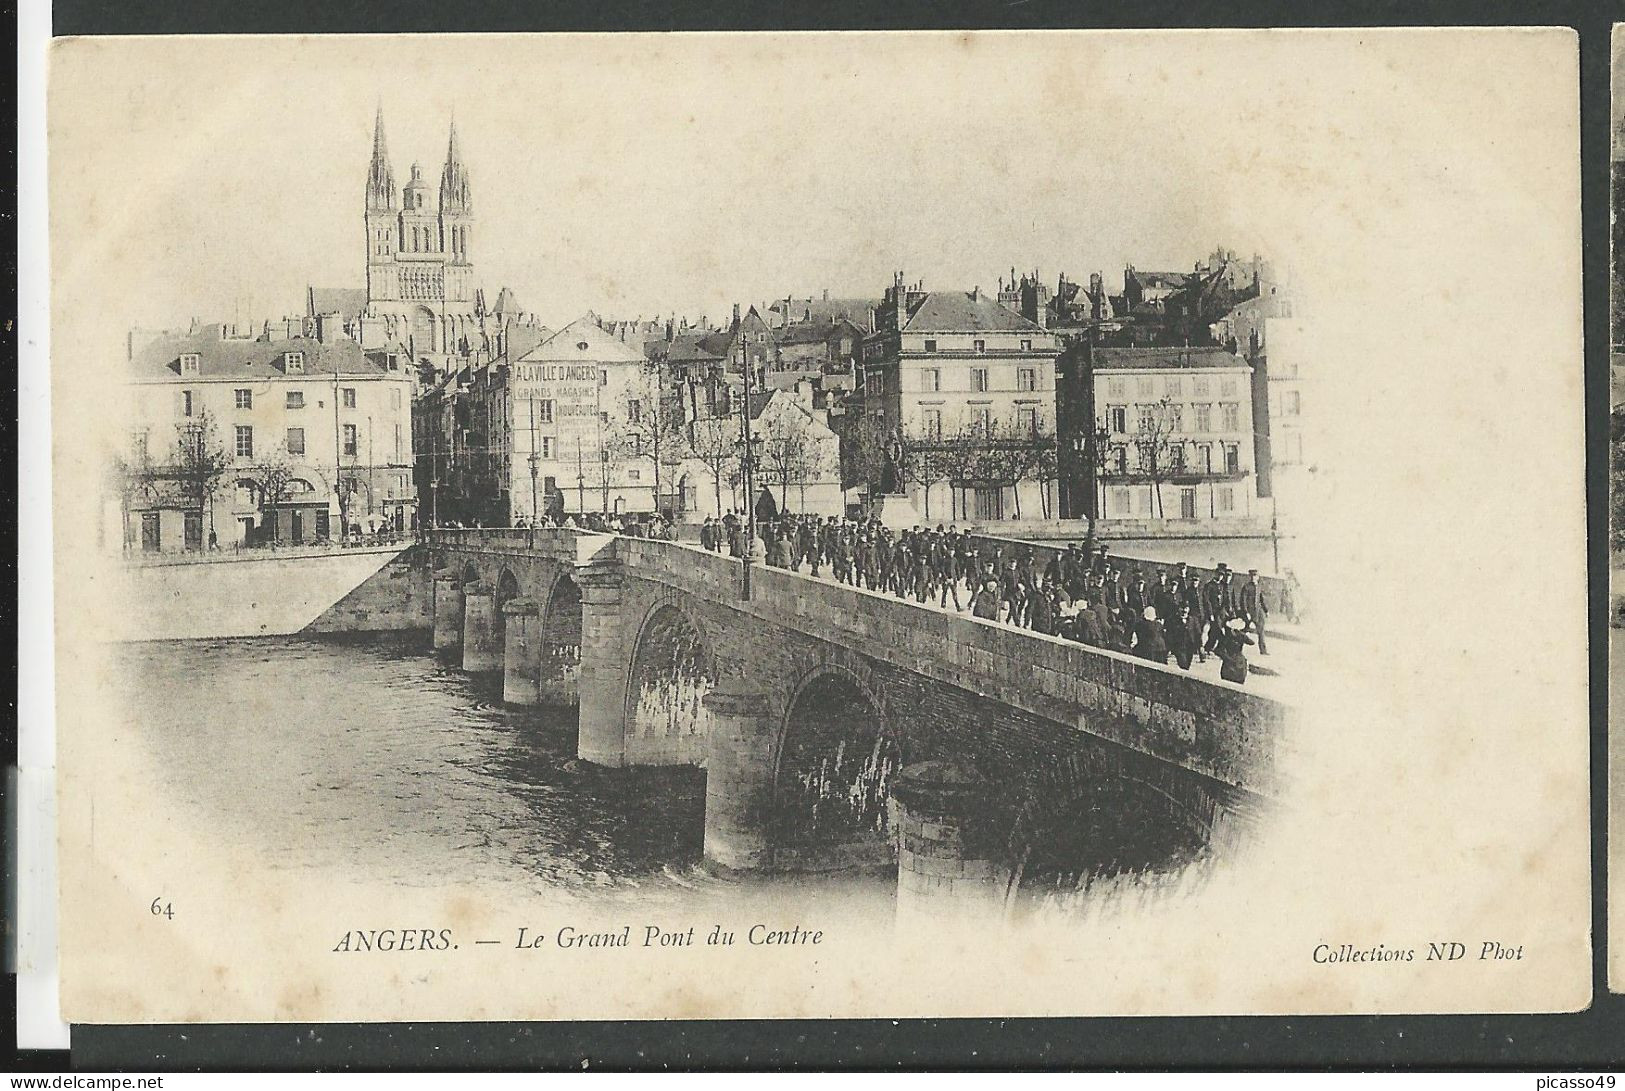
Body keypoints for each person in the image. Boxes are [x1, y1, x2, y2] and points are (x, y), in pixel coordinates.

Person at [1216, 617, 1254, 684]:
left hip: (1229, 658)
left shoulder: (1227, 637)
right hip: (1239, 659)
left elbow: (1218, 650)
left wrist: (1226, 657)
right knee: (1239, 677)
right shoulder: (1242, 636)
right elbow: (1251, 642)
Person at [1240, 569, 1270, 655]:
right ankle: (1237, 649)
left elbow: (1261, 599)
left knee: (1261, 631)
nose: (1253, 577)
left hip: (1258, 612)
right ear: (1250, 577)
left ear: (1258, 577)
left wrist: (1266, 610)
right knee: (1244, 631)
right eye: (1252, 576)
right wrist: (1246, 612)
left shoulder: (1259, 586)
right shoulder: (1246, 587)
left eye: (1255, 576)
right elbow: (1243, 601)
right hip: (1249, 612)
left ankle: (1263, 650)